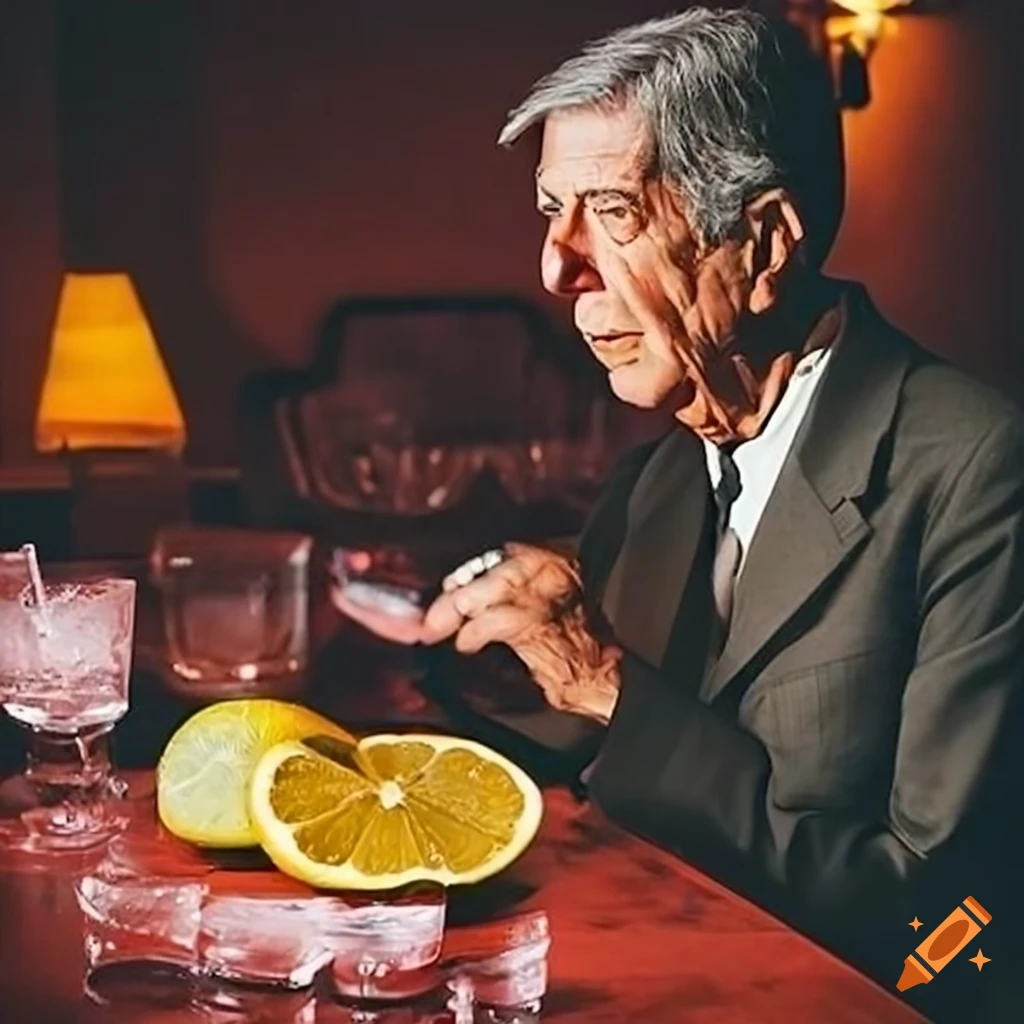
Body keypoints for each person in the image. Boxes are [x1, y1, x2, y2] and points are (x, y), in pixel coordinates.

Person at [338, 8, 1024, 1019]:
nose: (554, 268)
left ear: (761, 245)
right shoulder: (653, 481)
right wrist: (446, 672)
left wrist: (608, 684)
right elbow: (605, 784)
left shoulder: (976, 469)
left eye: (610, 213)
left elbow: (930, 915)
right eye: (548, 211)